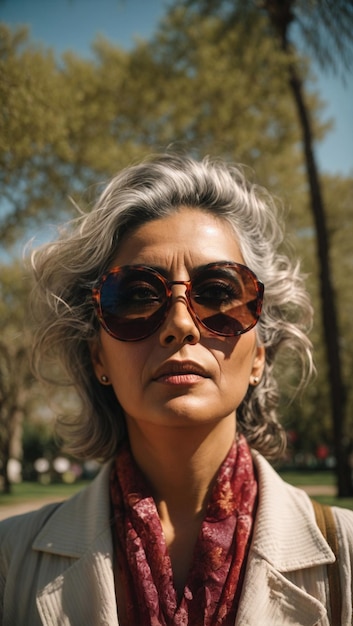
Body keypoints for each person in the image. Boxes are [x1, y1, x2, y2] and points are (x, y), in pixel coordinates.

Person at [0, 154, 352, 626]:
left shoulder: (346, 557)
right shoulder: (10, 562)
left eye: (219, 292)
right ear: (97, 356)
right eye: (139, 296)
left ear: (260, 354)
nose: (181, 325)